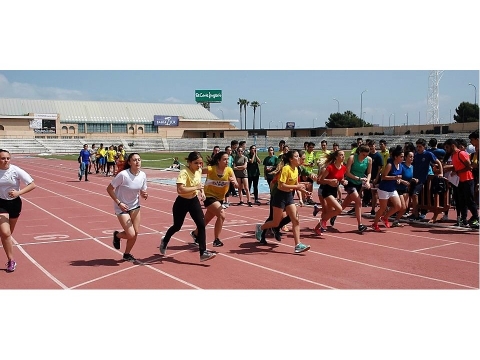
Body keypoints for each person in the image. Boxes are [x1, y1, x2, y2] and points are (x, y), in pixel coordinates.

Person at [159, 152, 216, 262]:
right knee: (177, 226)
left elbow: (199, 184)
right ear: (189, 162)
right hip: (182, 202)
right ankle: (165, 240)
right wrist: (196, 187)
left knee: (201, 225)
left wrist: (202, 192)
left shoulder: (198, 171)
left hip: (193, 200)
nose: (199, 166)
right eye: (196, 163)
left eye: (200, 163)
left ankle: (203, 252)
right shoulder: (184, 172)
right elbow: (180, 190)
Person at [255, 149, 311, 254]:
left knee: (296, 220)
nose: (299, 158)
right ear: (290, 159)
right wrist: (297, 186)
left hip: (289, 196)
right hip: (279, 196)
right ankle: (261, 227)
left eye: (299, 156)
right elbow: (281, 186)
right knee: (276, 223)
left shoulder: (296, 169)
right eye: (296, 156)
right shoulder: (286, 169)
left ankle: (298, 245)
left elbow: (294, 185)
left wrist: (303, 190)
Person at [190, 151, 238, 247]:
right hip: (209, 196)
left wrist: (234, 182)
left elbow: (237, 185)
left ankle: (195, 233)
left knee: (206, 220)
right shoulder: (211, 169)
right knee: (222, 215)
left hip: (220, 198)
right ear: (218, 161)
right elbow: (196, 171)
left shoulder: (229, 170)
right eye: (224, 159)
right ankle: (216, 240)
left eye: (227, 159)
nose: (227, 161)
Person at [106, 153, 148, 262]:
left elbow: (143, 191)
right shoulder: (123, 175)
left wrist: (144, 195)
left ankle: (126, 254)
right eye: (134, 160)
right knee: (131, 234)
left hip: (135, 206)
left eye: (139, 159)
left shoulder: (143, 175)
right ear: (129, 162)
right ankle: (117, 236)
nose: (137, 162)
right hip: (122, 207)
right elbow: (109, 189)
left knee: (136, 233)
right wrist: (119, 203)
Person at [0, 149, 36, 273]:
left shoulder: (15, 170)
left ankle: (6, 245)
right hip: (1, 203)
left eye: (8, 158)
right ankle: (11, 260)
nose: (6, 161)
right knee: (5, 233)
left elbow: (32, 184)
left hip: (14, 203)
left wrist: (18, 192)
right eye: (3, 158)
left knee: (8, 234)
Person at [443, 139, 479, 228]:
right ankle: (464, 219)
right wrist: (451, 169)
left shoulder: (461, 154)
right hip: (460, 181)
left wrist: (457, 171)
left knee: (469, 200)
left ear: (452, 146)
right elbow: (457, 166)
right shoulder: (454, 155)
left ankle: (476, 218)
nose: (446, 150)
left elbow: (469, 167)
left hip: (468, 179)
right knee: (461, 201)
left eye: (447, 147)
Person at [371, 146, 404, 231]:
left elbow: (398, 177)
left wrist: (398, 180)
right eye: (401, 156)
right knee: (383, 208)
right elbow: (384, 177)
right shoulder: (390, 165)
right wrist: (394, 178)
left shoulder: (400, 165)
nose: (402, 158)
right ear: (396, 157)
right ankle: (375, 224)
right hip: (384, 188)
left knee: (398, 206)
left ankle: (385, 218)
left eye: (403, 156)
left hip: (392, 188)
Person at [315, 150, 348, 235]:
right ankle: (323, 221)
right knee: (339, 209)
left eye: (343, 155)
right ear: (336, 157)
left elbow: (341, 178)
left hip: (334, 191)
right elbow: (320, 180)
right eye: (341, 155)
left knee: (330, 212)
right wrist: (330, 181)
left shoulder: (343, 167)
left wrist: (344, 181)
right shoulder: (330, 167)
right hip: (326, 190)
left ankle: (317, 228)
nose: (343, 157)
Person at [342, 145, 372, 232]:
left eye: (366, 155)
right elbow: (347, 173)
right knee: (359, 201)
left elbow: (369, 173)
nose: (365, 157)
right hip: (350, 182)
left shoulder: (369, 160)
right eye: (363, 155)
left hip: (359, 184)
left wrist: (367, 182)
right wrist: (358, 178)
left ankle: (335, 213)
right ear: (359, 152)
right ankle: (360, 225)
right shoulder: (352, 158)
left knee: (346, 203)